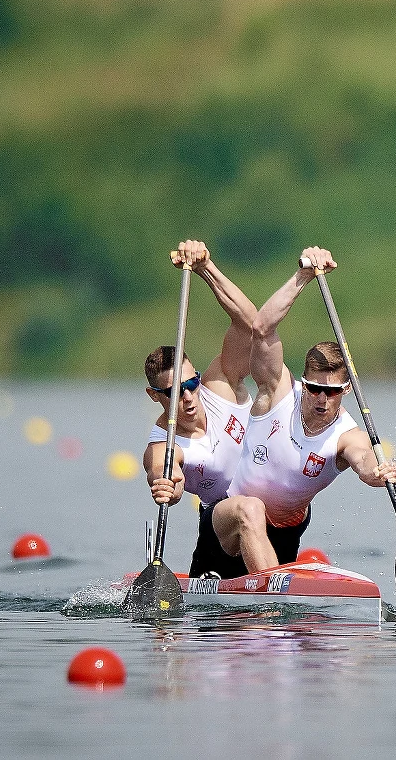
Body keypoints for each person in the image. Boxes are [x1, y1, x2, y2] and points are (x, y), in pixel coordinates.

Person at [216, 246, 396, 574]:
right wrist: (302, 276)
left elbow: (364, 458)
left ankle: (273, 593)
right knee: (251, 509)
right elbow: (261, 329)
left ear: (345, 390)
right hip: (228, 521)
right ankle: (273, 598)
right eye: (313, 388)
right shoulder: (278, 391)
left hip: (286, 532)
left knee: (263, 521)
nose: (321, 399)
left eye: (331, 392)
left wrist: (377, 471)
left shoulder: (346, 435)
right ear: (304, 382)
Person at [142, 239, 259, 578]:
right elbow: (169, 482)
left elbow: (250, 325)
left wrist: (208, 268)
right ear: (154, 395)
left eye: (191, 384)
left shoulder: (220, 385)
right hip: (221, 530)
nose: (190, 397)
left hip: (274, 511)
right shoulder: (162, 446)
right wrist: (166, 486)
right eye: (175, 392)